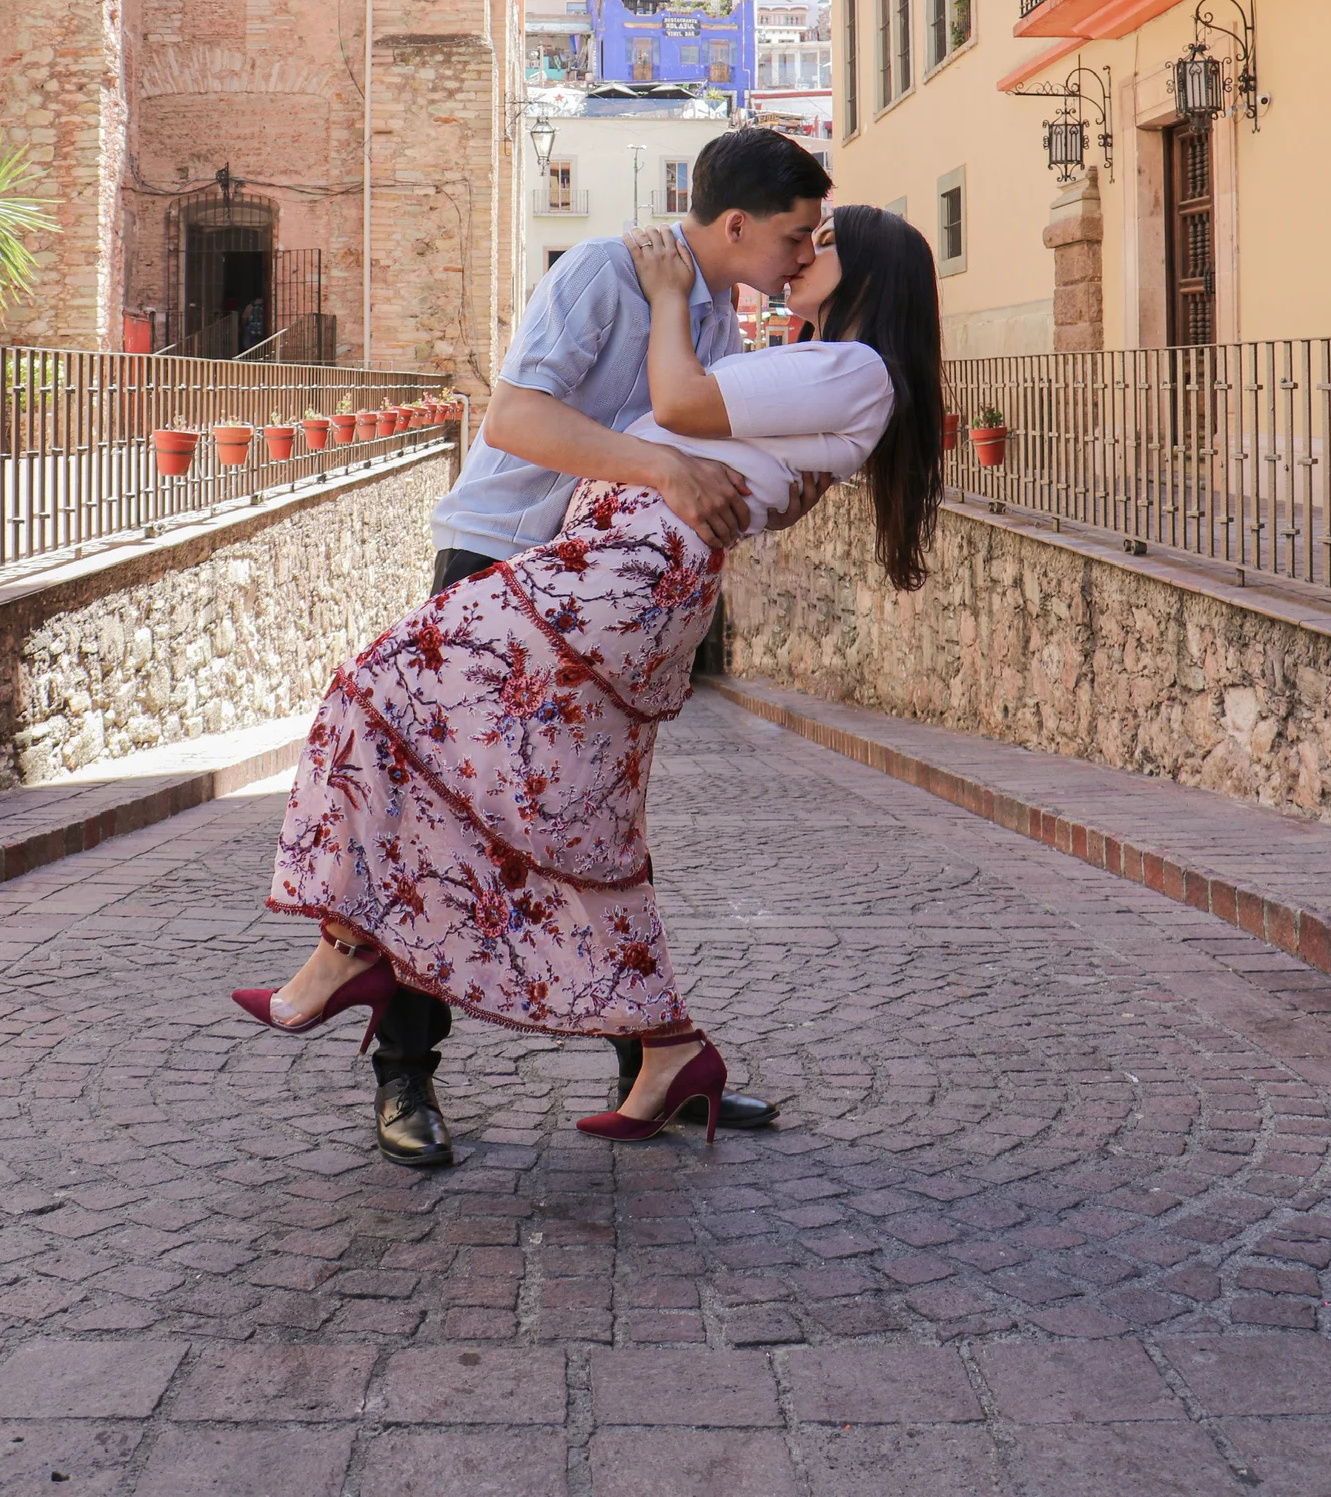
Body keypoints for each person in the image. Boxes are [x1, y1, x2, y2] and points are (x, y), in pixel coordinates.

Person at [234, 203, 944, 1155]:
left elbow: (686, 409)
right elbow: (556, 420)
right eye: (799, 236)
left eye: (821, 244)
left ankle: (350, 955)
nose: (801, 256)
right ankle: (645, 1054)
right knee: (574, 819)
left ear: (866, 275)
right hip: (529, 549)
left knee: (383, 696)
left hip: (609, 574)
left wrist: (670, 300)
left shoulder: (818, 358)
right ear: (740, 223)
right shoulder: (618, 280)